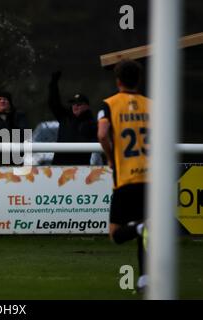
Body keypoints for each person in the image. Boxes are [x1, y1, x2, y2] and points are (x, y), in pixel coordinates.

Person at [97, 59, 149, 292]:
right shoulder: (152, 105)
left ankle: (139, 228)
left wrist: (109, 156)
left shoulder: (109, 104)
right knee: (146, 231)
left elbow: (102, 134)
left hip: (126, 176)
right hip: (150, 177)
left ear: (118, 81)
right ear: (138, 80)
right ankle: (145, 278)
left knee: (116, 234)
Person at [48, 71, 98, 165]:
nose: (75, 106)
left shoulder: (93, 124)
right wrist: (53, 82)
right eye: (73, 104)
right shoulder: (65, 117)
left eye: (79, 104)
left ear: (86, 106)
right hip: (59, 167)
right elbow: (53, 102)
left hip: (80, 169)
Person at [0, 91, 28, 165]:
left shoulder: (19, 116)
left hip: (15, 159)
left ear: (10, 103)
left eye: (5, 99)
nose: (2, 101)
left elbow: (24, 134)